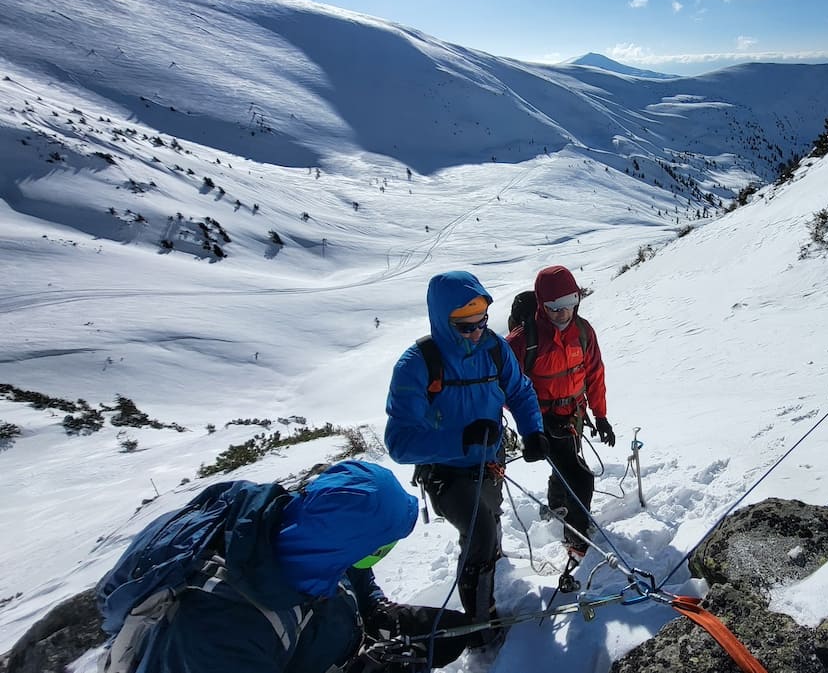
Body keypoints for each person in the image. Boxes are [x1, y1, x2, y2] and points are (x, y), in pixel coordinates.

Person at [95, 460, 472, 673]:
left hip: (329, 637)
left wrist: (374, 607)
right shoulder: (219, 630)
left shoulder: (299, 526)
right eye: (381, 547)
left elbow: (353, 563)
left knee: (451, 633)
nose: (378, 556)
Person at [383, 271, 544, 644]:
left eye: (482, 322)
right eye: (465, 326)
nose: (476, 332)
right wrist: (460, 439)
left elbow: (519, 391)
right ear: (442, 320)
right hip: (446, 471)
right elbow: (399, 442)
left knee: (491, 514)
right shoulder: (418, 363)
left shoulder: (494, 348)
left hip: (490, 461)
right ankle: (480, 622)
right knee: (480, 532)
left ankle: (491, 567)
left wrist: (532, 430)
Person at [505, 265, 613, 564]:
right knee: (581, 478)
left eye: (571, 305)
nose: (565, 314)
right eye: (555, 308)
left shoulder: (582, 331)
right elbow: (502, 389)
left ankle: (556, 506)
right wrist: (533, 421)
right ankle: (576, 540)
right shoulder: (521, 342)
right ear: (542, 304)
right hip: (542, 423)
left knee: (567, 463)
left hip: (573, 416)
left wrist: (600, 415)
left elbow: (594, 373)